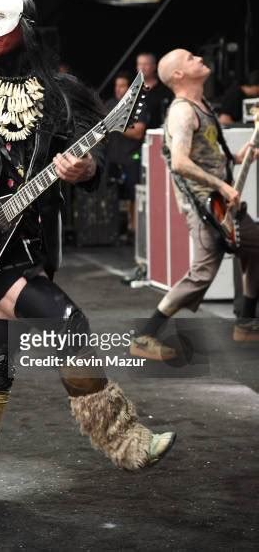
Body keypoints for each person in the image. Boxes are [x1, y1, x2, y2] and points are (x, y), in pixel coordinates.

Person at [0, 0, 175, 520]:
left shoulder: (61, 91)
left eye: (2, 24)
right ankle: (124, 441)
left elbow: (97, 171)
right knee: (69, 325)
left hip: (33, 246)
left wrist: (88, 169)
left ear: (26, 27)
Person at [131, 49, 259, 361]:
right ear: (178, 75)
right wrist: (222, 185)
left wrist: (243, 154)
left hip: (220, 203)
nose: (199, 58)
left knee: (255, 248)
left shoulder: (203, 107)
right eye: (190, 58)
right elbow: (180, 161)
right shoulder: (182, 112)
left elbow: (213, 155)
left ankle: (246, 322)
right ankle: (145, 335)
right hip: (206, 206)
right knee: (202, 273)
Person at [105, 71, 149, 238]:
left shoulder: (138, 105)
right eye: (116, 86)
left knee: (132, 195)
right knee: (110, 195)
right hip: (112, 157)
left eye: (122, 85)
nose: (118, 89)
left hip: (132, 158)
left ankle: (133, 228)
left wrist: (117, 124)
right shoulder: (109, 104)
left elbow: (138, 132)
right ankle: (112, 229)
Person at [136, 52, 173, 128]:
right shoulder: (131, 89)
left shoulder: (164, 89)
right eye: (140, 64)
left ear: (154, 66)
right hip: (134, 136)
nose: (142, 68)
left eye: (146, 64)